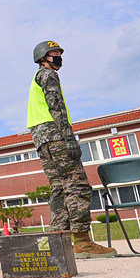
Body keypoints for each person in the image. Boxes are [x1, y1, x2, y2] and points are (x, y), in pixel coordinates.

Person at [27, 41, 116, 258]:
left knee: (59, 188)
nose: (59, 56)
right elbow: (56, 106)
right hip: (56, 135)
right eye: (54, 53)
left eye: (59, 53)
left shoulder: (36, 79)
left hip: (42, 138)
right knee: (77, 186)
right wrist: (69, 137)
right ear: (43, 57)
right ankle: (82, 242)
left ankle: (57, 241)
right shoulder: (48, 75)